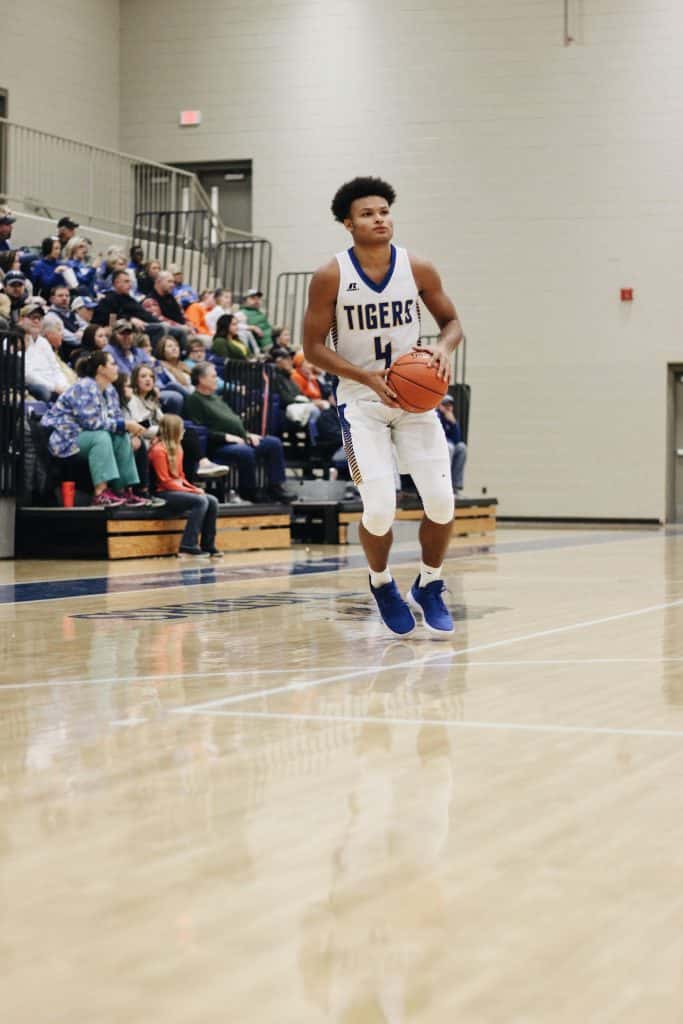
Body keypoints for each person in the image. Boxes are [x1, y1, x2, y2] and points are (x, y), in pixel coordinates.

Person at [302, 175, 463, 638]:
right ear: (348, 224)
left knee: (442, 503)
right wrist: (363, 376)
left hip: (415, 402)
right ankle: (381, 583)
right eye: (368, 214)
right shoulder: (331, 276)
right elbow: (312, 348)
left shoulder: (419, 268)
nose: (379, 220)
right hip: (361, 401)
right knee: (378, 508)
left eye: (384, 212)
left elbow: (451, 322)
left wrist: (443, 349)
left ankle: (429, 583)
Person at [41, 350, 146, 507]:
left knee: (121, 436)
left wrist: (130, 431)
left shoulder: (110, 390)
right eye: (113, 364)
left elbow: (116, 419)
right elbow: (91, 423)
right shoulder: (84, 386)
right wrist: (125, 425)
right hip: (66, 438)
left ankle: (122, 491)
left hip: (86, 435)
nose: (117, 367)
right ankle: (100, 493)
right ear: (101, 369)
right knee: (101, 436)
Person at [184, 361, 292, 504]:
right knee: (245, 452)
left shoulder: (216, 398)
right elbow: (198, 431)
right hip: (217, 446)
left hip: (239, 439)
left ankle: (275, 487)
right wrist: (225, 437)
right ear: (201, 379)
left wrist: (247, 435)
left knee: (273, 443)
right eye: (214, 376)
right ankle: (250, 492)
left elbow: (232, 422)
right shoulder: (194, 400)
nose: (217, 379)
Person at [149, 415, 222, 557]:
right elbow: (165, 482)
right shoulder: (158, 450)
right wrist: (191, 491)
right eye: (181, 429)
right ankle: (188, 545)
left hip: (175, 490)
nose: (184, 431)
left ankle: (208, 545)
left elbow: (180, 477)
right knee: (200, 500)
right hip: (161, 493)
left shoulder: (178, 448)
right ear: (173, 431)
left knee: (212, 500)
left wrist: (193, 489)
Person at [92, 269, 180, 345]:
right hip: (127, 328)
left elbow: (144, 314)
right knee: (161, 328)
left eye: (130, 281)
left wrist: (159, 322)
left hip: (144, 324)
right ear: (117, 283)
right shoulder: (109, 299)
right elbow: (112, 318)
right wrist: (130, 319)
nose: (130, 285)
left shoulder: (129, 299)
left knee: (180, 331)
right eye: (126, 281)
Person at [25, 313, 73, 401]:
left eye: (39, 318)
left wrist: (64, 387)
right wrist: (53, 387)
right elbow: (27, 375)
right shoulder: (17, 342)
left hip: (55, 386)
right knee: (44, 392)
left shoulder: (43, 342)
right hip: (40, 387)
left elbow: (56, 369)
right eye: (33, 318)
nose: (36, 321)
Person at [142, 270, 189, 341]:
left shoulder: (172, 298)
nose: (173, 285)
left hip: (183, 331)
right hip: (166, 336)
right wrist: (182, 326)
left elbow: (183, 316)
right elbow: (159, 319)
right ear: (159, 282)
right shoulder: (149, 300)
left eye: (173, 282)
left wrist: (190, 326)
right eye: (169, 281)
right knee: (184, 331)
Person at [437, 395, 467, 496]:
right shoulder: (437, 416)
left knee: (462, 447)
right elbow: (438, 437)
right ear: (439, 405)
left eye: (450, 405)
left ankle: (455, 485)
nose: (448, 407)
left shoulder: (451, 418)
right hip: (435, 448)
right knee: (449, 447)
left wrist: (454, 423)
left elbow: (457, 440)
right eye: (445, 405)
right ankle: (444, 483)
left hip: (450, 446)